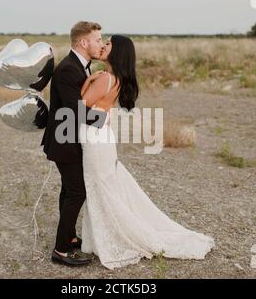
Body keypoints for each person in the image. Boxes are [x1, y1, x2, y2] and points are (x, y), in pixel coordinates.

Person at [78, 35, 215, 269]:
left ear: (117, 52)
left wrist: (89, 80)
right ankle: (100, 239)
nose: (103, 45)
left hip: (95, 139)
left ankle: (115, 237)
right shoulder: (116, 78)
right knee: (102, 188)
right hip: (102, 138)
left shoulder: (104, 79)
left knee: (99, 189)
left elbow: (80, 109)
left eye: (108, 43)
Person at [41, 21, 107, 266]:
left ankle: (68, 238)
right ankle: (60, 250)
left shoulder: (80, 66)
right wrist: (105, 118)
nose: (101, 43)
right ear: (83, 42)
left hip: (69, 139)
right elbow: (73, 111)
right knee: (77, 191)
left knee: (69, 190)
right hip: (64, 141)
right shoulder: (69, 68)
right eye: (98, 39)